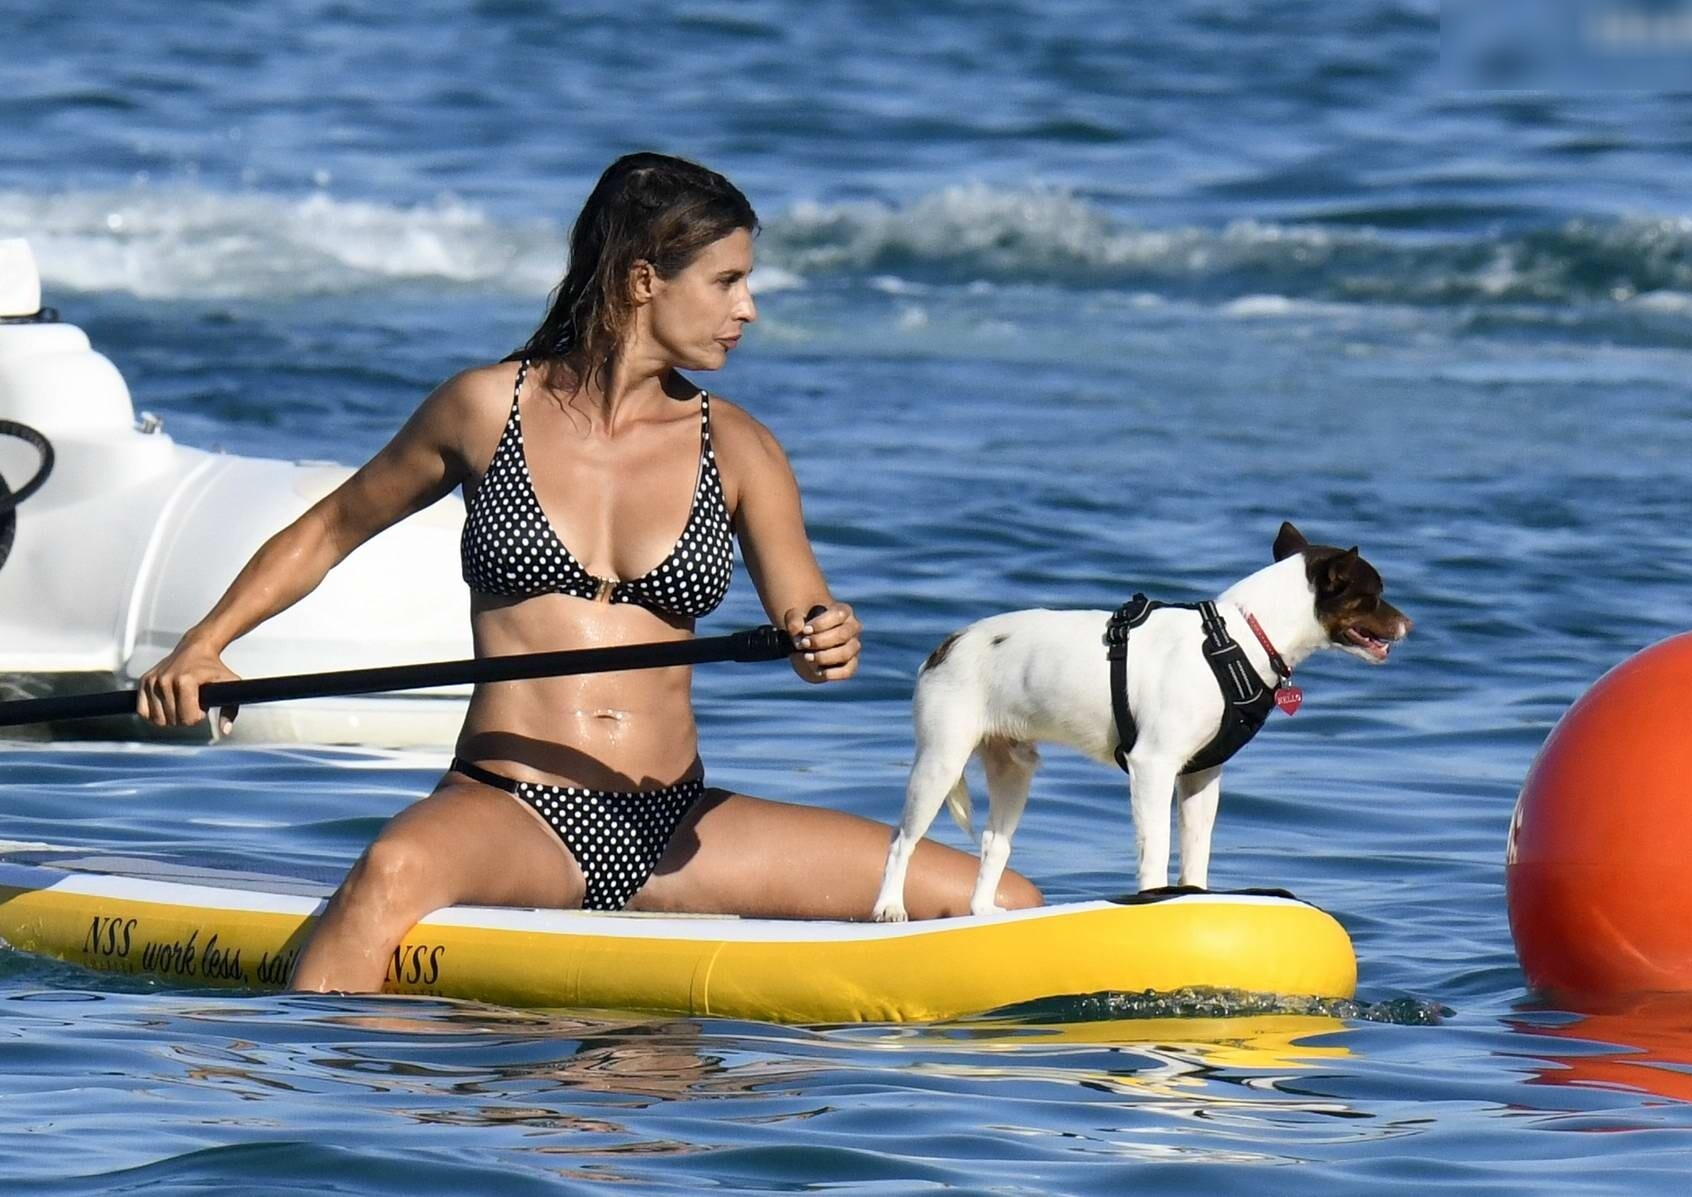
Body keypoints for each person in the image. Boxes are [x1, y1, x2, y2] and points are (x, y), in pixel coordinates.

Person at [136, 152, 1042, 993]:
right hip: (510, 807)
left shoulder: (740, 446)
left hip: (676, 826)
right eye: (727, 281)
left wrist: (825, 639)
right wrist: (204, 645)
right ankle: (316, 1090)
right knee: (391, 868)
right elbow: (331, 528)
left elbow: (807, 616)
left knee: (1004, 901)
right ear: (644, 281)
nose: (749, 308)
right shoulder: (485, 408)